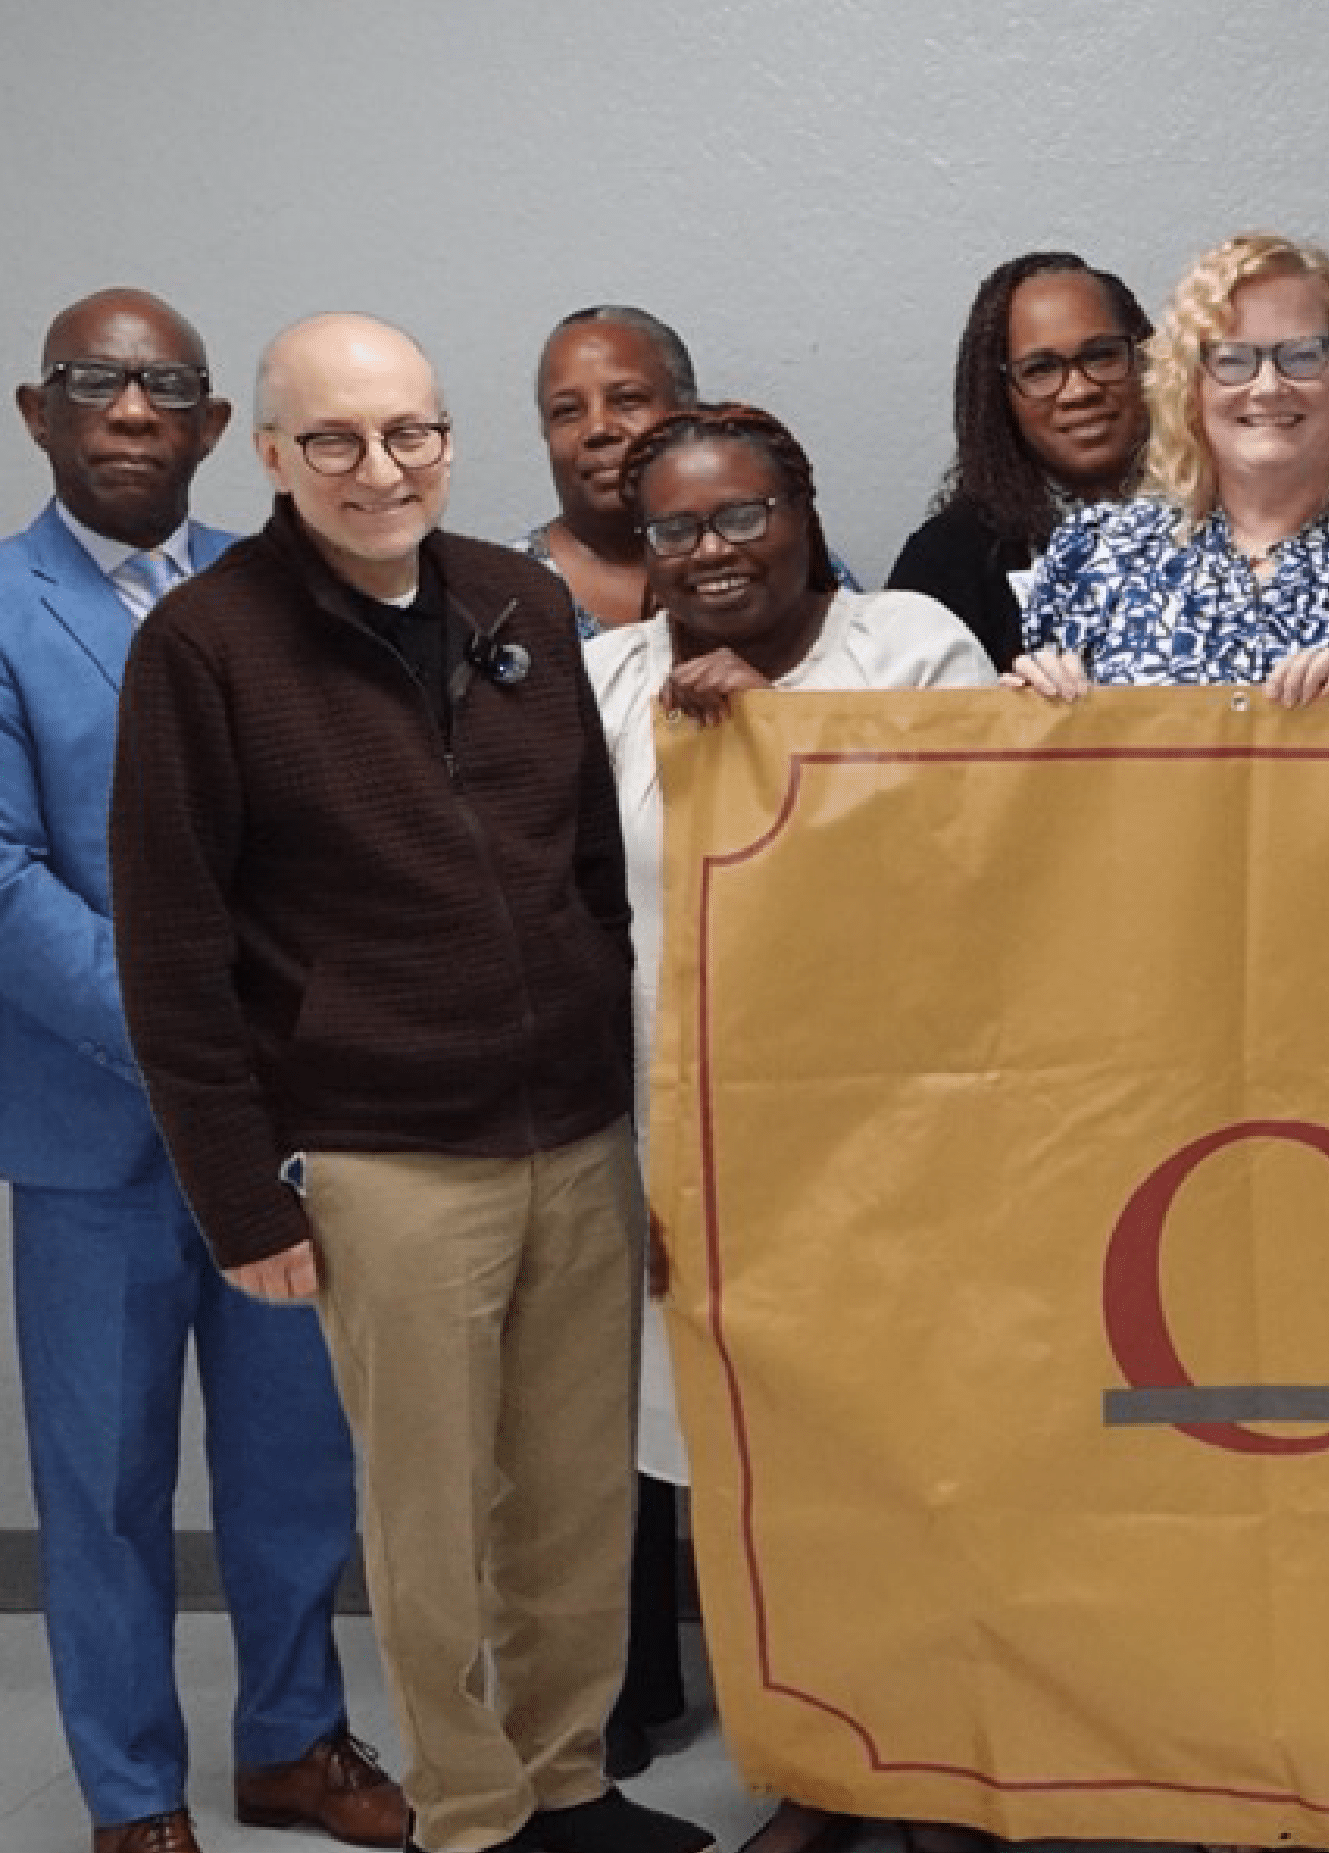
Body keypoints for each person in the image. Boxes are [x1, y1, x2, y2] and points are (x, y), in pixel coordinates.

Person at [109, 313, 709, 1853]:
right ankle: (471, 1810)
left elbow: (589, 869)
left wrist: (628, 1112)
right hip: (387, 1156)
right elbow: (173, 956)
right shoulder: (205, 646)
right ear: (270, 454)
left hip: (572, 1136)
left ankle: (567, 1778)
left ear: (449, 435)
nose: (381, 470)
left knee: (574, 1494)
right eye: (337, 441)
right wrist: (240, 1199)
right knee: (431, 1519)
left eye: (413, 434)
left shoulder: (519, 596)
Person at [4, 290, 406, 1853]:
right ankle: (128, 1790)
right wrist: (188, 1033)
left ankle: (295, 1740)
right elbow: (1, 871)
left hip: (295, 1129)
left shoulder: (286, 591)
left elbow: (342, 836)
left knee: (295, 1462)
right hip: (95, 1128)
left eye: (164, 385)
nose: (127, 410)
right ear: (38, 413)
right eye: (92, 382)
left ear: (213, 430)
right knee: (102, 1487)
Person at [586, 405, 995, 1853]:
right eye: (675, 529)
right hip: (690, 1151)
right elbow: (575, 930)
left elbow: (975, 870)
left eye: (742, 515)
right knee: (752, 1486)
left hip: (901, 1146)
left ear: (805, 512)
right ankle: (815, 1778)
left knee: (912, 1473)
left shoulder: (917, 646)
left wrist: (764, 736)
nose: (710, 552)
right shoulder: (604, 687)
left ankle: (946, 1780)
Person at [1007, 231, 1329, 704]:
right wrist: (1032, 707)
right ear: (1190, 387)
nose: (1268, 386)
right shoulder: (1098, 556)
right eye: (1232, 359)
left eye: (1302, 356)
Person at [889, 251, 1154, 670]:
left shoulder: (1233, 516)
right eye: (1040, 370)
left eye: (1102, 355)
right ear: (1001, 397)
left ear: (1147, 362)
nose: (1079, 390)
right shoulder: (949, 559)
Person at [521, 307, 699, 640]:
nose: (598, 429)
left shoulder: (768, 569)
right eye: (567, 411)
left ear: (686, 412)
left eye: (627, 400)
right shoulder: (498, 597)